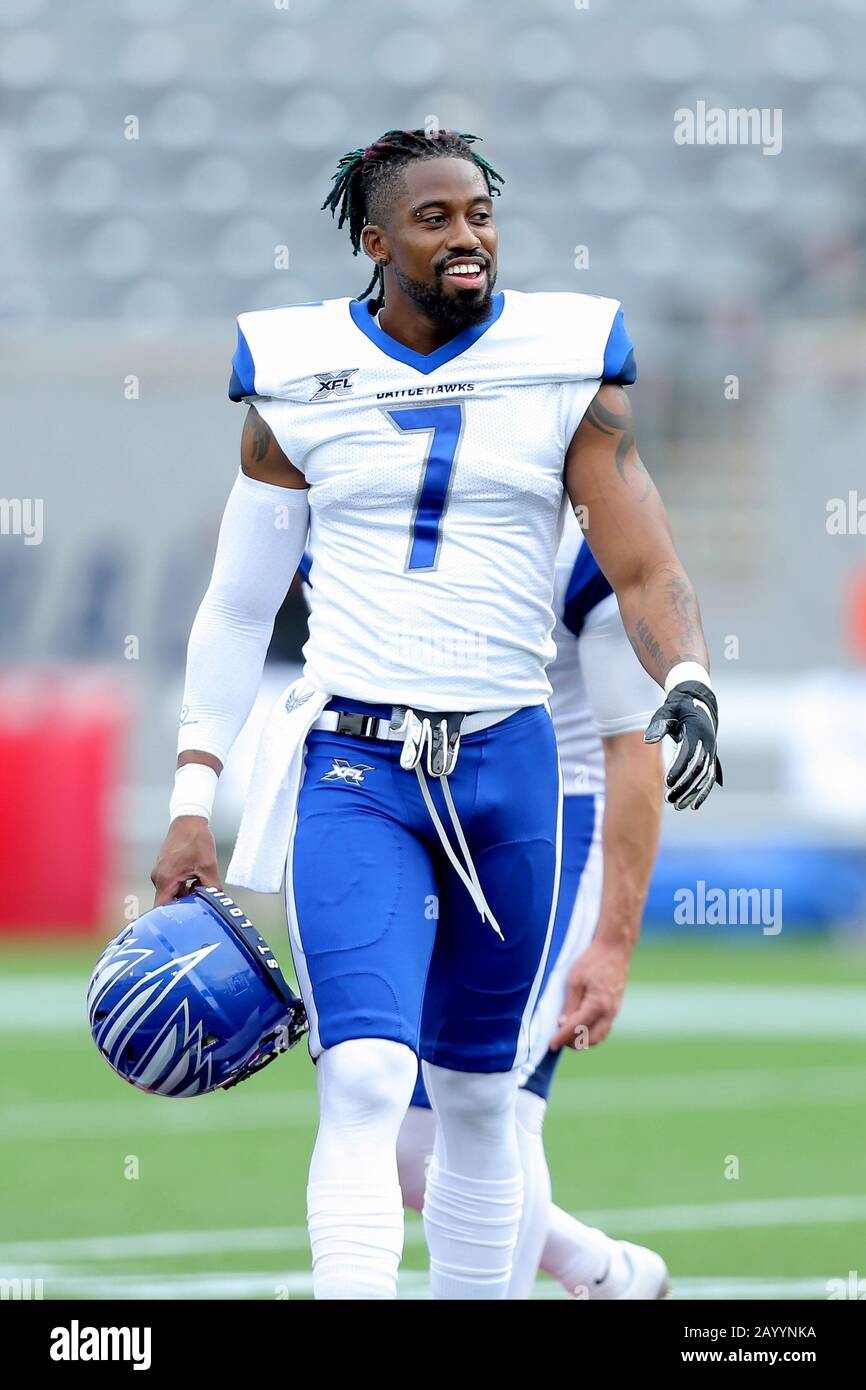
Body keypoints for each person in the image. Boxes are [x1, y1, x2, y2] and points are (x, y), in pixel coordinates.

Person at [151, 128, 721, 1301]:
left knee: (472, 1099)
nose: (467, 236)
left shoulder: (565, 359)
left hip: (510, 763)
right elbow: (237, 601)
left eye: (479, 214)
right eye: (434, 219)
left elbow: (644, 563)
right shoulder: (297, 371)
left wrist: (688, 680)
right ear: (373, 241)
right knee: (361, 1079)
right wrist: (192, 793)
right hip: (356, 767)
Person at [397, 509, 668, 1298]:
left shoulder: (581, 537)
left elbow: (634, 747)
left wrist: (614, 939)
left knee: (497, 1110)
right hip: (433, 822)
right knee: (413, 1149)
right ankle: (609, 1274)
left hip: (557, 825)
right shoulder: (380, 498)